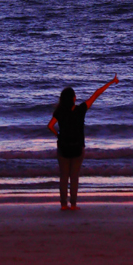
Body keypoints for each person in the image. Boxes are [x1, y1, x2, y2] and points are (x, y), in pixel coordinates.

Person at [48, 74, 119, 210]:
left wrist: (58, 135)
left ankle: (63, 205)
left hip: (63, 147)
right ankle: (73, 204)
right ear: (74, 98)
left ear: (62, 99)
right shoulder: (81, 109)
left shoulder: (59, 111)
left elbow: (50, 126)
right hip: (78, 148)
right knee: (74, 177)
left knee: (64, 177)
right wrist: (111, 82)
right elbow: (96, 94)